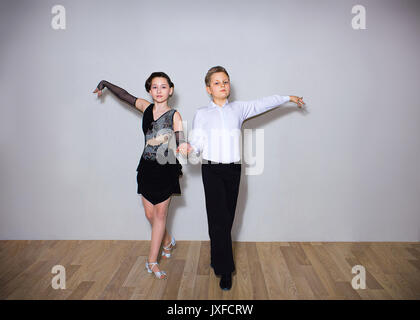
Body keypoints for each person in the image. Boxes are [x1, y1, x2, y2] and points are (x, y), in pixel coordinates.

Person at [187, 66, 306, 290]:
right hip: (211, 170)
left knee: (226, 220)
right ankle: (225, 270)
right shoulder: (202, 113)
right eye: (217, 83)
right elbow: (198, 142)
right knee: (218, 221)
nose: (223, 86)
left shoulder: (239, 109)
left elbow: (263, 103)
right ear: (208, 88)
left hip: (233, 170)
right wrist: (189, 149)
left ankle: (216, 259)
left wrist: (287, 98)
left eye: (225, 82)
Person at [93, 72, 190, 280]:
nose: (159, 90)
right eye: (155, 87)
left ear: (170, 90)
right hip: (146, 168)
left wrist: (183, 145)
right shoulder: (146, 108)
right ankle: (167, 241)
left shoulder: (175, 115)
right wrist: (106, 83)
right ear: (149, 90)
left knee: (160, 216)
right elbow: (125, 95)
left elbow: (180, 137)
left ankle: (152, 262)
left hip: (166, 168)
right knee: (150, 216)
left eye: (163, 86)